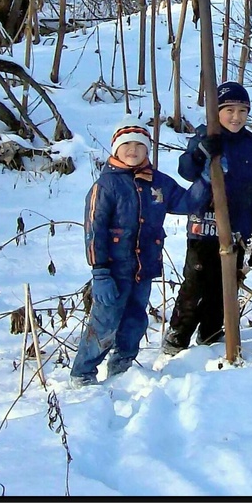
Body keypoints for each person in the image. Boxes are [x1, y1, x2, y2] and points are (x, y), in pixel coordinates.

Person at [71, 117, 211, 386]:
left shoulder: (157, 182)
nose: (133, 150)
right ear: (115, 149)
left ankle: (122, 370)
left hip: (143, 268)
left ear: (148, 149)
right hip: (113, 270)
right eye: (126, 145)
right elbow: (94, 231)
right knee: (104, 323)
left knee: (135, 320)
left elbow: (186, 203)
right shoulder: (106, 186)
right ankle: (83, 373)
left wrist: (205, 180)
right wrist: (99, 271)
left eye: (139, 145)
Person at [163, 81, 252, 354]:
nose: (236, 117)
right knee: (196, 284)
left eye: (242, 111)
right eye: (229, 110)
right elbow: (185, 170)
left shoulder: (251, 144)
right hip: (205, 227)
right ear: (217, 112)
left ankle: (211, 334)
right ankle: (178, 336)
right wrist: (202, 152)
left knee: (225, 286)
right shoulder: (206, 135)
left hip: (237, 229)